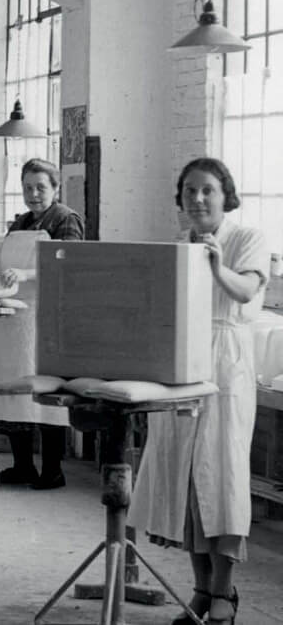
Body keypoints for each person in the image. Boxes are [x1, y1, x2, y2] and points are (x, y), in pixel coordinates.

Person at [129, 158, 267, 625]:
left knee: (220, 476)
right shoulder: (178, 245)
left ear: (226, 194)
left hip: (224, 361)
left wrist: (215, 261)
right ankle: (202, 592)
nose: (199, 199)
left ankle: (225, 594)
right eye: (189, 191)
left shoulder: (247, 237)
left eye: (208, 190)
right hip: (179, 360)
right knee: (182, 477)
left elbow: (246, 292)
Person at [0, 158, 83, 490]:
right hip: (13, 316)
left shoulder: (66, 220)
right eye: (27, 188)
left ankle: (52, 470)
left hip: (46, 316)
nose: (34, 194)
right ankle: (22, 465)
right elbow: (4, 265)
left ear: (55, 188)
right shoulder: (21, 221)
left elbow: (70, 268)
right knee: (13, 391)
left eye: (40, 187)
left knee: (46, 394)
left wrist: (25, 274)